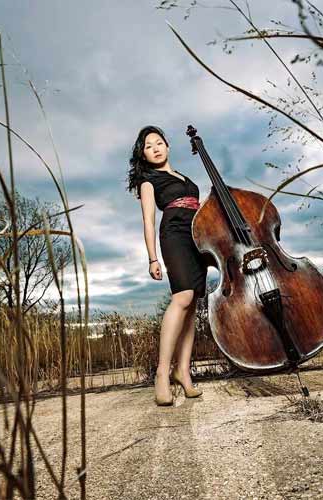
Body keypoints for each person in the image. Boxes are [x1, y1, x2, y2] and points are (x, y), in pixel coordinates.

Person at [127, 125, 208, 406]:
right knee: (182, 296)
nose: (156, 148)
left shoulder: (184, 177)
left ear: (168, 146)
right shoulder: (148, 181)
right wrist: (152, 258)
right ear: (144, 154)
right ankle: (162, 373)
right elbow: (148, 220)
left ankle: (183, 372)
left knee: (193, 302)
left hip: (197, 234)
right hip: (174, 232)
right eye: (149, 146)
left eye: (159, 142)